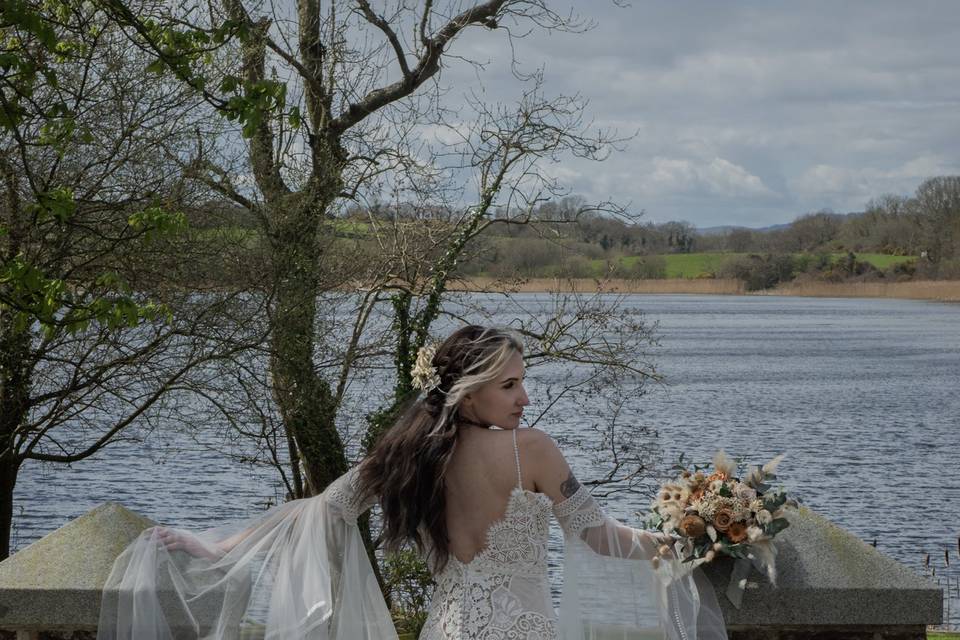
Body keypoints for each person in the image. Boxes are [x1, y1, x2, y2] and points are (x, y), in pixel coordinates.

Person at [98, 325, 725, 639]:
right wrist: (689, 539)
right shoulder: (532, 451)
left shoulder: (411, 452)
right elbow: (601, 538)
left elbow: (320, 509)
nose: (525, 398)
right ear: (468, 391)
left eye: (523, 381)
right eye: (509, 385)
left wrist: (218, 547)